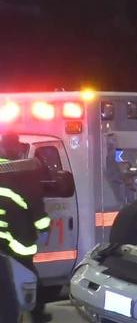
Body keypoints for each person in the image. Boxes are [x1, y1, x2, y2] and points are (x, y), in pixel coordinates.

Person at [0, 133, 52, 323]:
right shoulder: (23, 172)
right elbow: (35, 204)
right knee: (28, 277)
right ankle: (37, 314)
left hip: (4, 238)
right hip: (17, 240)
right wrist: (44, 229)